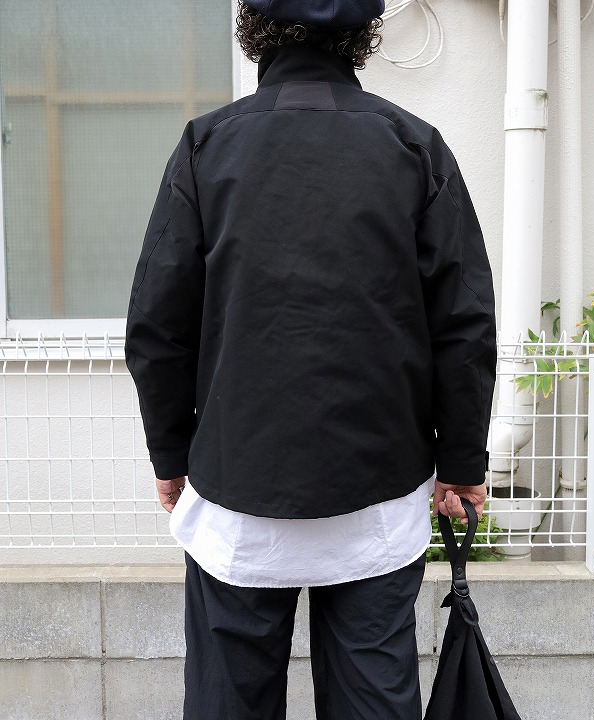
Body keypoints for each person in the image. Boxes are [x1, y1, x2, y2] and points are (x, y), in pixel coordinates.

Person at [125, 1, 496, 718]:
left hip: (236, 489)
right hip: (377, 494)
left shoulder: (208, 146)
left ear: (254, 27)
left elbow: (158, 324)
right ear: (363, 33)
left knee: (229, 703)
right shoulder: (413, 146)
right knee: (373, 701)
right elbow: (463, 322)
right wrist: (461, 462)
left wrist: (170, 454)